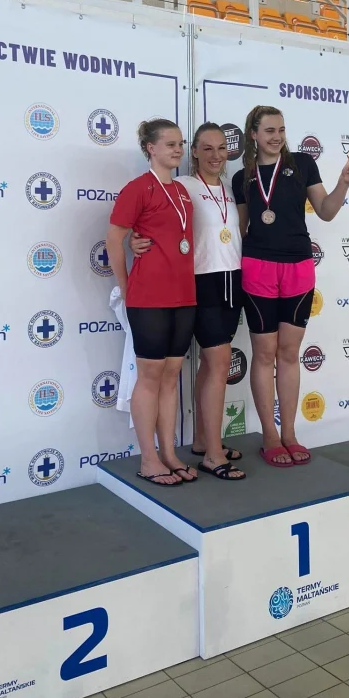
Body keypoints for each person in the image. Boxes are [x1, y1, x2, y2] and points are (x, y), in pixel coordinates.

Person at [233, 104, 349, 467]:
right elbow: (239, 229)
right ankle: (269, 436)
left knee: (289, 354)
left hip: (298, 267)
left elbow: (326, 211)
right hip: (258, 267)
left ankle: (289, 433)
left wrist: (343, 183)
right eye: (269, 130)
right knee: (264, 354)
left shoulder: (303, 164)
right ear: (253, 134)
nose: (277, 137)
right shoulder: (242, 177)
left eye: (281, 130)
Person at [131, 124, 246, 481]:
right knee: (219, 362)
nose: (216, 155)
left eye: (221, 148)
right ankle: (213, 454)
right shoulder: (183, 187)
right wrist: (136, 239)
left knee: (212, 366)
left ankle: (202, 440)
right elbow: (160, 224)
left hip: (232, 280)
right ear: (194, 151)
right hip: (200, 281)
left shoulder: (230, 189)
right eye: (207, 148)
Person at [106, 119, 198, 486]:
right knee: (149, 378)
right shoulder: (138, 188)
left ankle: (169, 453)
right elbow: (114, 239)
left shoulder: (182, 191)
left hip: (184, 295)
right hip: (149, 297)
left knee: (171, 376)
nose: (178, 150)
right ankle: (148, 459)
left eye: (180, 144)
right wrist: (126, 286)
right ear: (151, 148)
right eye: (170, 144)